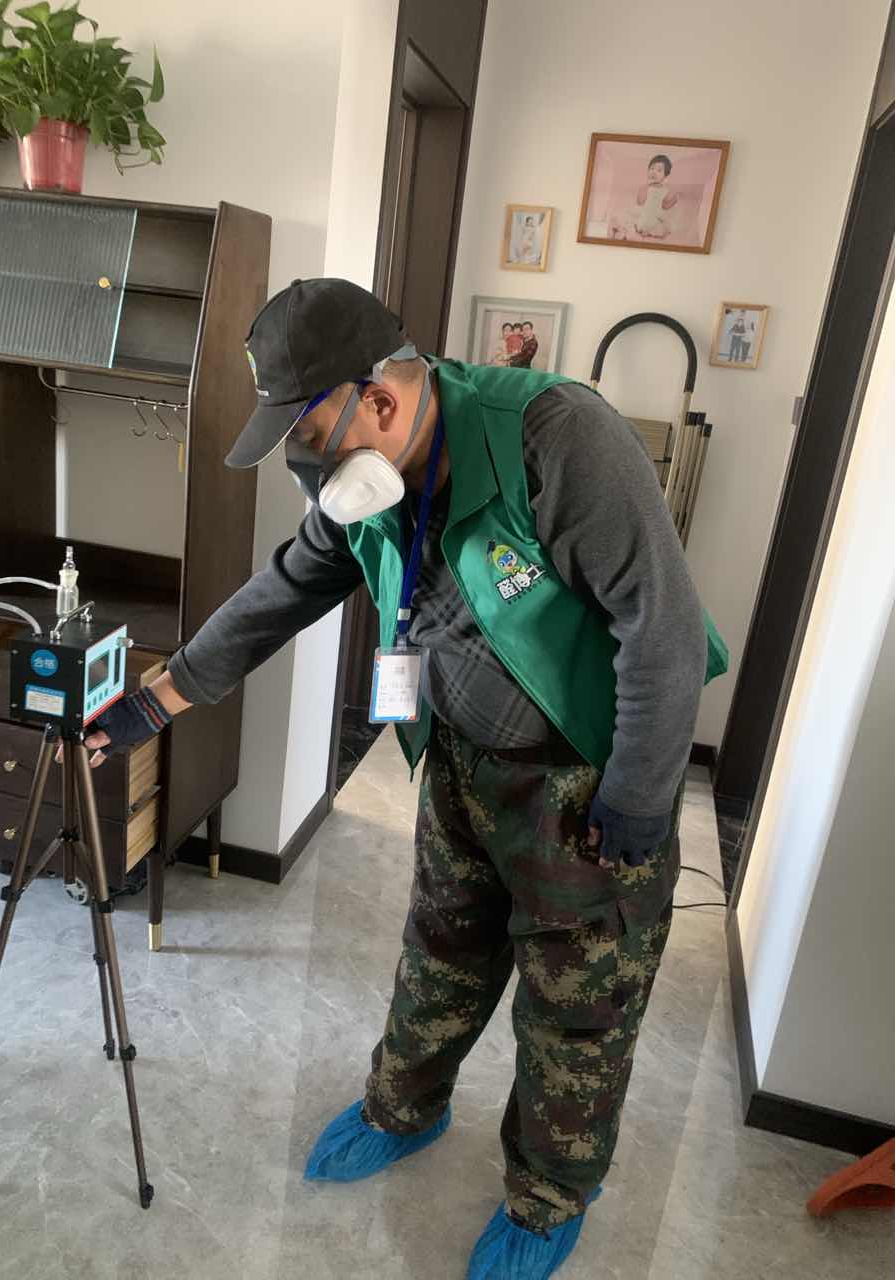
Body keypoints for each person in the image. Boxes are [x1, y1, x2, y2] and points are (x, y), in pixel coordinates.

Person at [82, 279, 728, 1280]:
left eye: (310, 437)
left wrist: (640, 798)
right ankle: (404, 1109)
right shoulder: (371, 485)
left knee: (577, 1011)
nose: (308, 467)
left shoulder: (558, 441)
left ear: (380, 400)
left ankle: (548, 1197)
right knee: (440, 954)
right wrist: (162, 697)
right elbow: (286, 586)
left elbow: (664, 628)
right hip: (461, 764)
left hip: (584, 787)